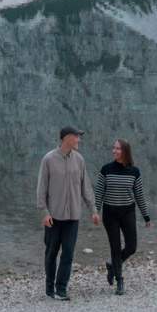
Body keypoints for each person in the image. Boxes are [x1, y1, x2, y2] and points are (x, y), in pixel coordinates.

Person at [36, 126, 99, 300]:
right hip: (53, 217)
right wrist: (44, 212)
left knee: (68, 253)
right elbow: (41, 189)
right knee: (51, 253)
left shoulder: (79, 160)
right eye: (77, 137)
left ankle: (61, 289)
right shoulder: (48, 159)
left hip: (73, 217)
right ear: (67, 138)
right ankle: (49, 287)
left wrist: (93, 210)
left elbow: (86, 187)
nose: (79, 140)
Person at [95, 138, 151, 295]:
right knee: (115, 247)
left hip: (128, 212)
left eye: (118, 149)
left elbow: (139, 195)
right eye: (114, 148)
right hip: (110, 213)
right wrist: (96, 211)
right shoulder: (106, 169)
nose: (115, 151)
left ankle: (112, 265)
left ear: (125, 151)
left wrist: (146, 216)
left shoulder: (134, 171)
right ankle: (120, 280)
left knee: (132, 246)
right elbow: (99, 192)